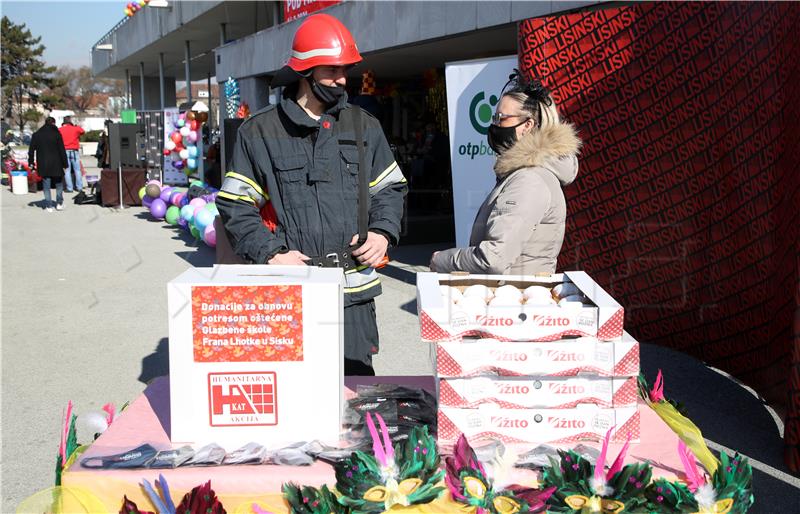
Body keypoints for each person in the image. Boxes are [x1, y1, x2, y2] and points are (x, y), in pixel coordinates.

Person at [216, 14, 407, 376]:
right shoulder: (260, 131)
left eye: (344, 70)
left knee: (355, 397)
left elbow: (390, 187)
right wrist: (270, 254)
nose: (341, 80)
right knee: (294, 395)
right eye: (330, 71)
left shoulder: (364, 126)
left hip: (354, 294)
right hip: (291, 292)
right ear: (305, 71)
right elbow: (235, 204)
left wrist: (383, 232)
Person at [430, 72, 581, 275]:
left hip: (514, 299)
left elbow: (494, 259)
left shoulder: (530, 180)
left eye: (501, 118)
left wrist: (441, 260)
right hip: (512, 295)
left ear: (527, 125)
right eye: (494, 117)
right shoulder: (526, 174)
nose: (494, 125)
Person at [28, 117, 68, 212]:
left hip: (43, 163)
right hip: (56, 162)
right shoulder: (56, 134)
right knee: (58, 183)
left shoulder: (37, 135)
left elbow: (31, 150)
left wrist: (31, 162)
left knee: (46, 184)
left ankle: (49, 205)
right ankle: (59, 203)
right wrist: (65, 163)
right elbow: (62, 150)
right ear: (53, 123)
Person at [59, 116, 85, 192]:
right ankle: (79, 187)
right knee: (77, 170)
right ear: (70, 122)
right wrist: (75, 126)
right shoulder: (75, 128)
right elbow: (83, 131)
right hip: (74, 150)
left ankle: (69, 188)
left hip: (65, 150)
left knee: (67, 170)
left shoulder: (60, 129)